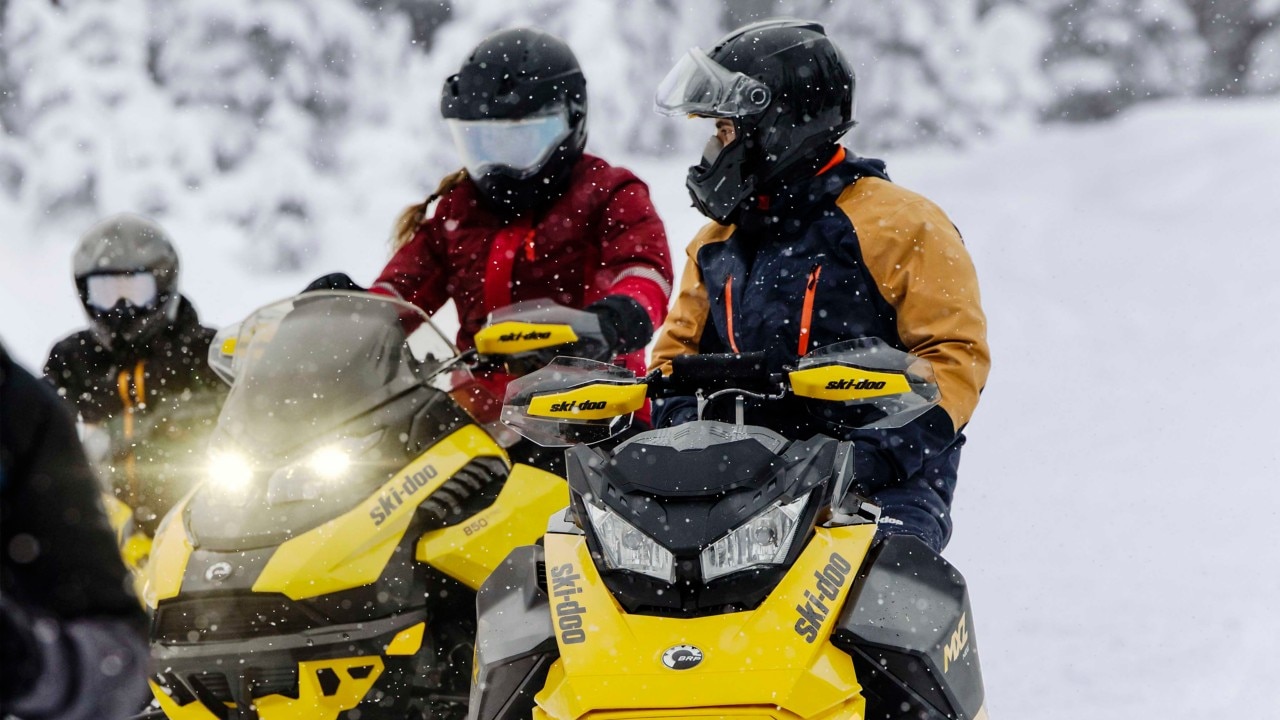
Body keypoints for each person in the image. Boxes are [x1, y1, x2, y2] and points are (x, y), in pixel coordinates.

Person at [649, 19, 991, 553]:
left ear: (778, 124)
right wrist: (680, 434)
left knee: (888, 583)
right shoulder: (716, 243)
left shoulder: (902, 224)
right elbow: (672, 363)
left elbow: (955, 358)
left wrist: (872, 454)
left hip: (881, 482)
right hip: (740, 483)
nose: (715, 150)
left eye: (726, 131)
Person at [307, 27, 674, 452]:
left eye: (520, 141)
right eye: (481, 142)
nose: (498, 164)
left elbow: (644, 269)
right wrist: (353, 318)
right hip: (476, 423)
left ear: (571, 121)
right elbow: (402, 291)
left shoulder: (606, 192)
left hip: (588, 415)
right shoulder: (459, 210)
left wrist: (615, 317)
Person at [44, 213, 225, 542]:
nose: (121, 307)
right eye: (106, 293)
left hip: (203, 531)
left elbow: (260, 405)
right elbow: (36, 429)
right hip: (98, 537)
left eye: (134, 291)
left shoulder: (207, 352)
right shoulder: (72, 360)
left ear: (164, 285)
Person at [1, 342, 151, 719]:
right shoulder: (73, 356)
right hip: (113, 496)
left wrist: (26, 661)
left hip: (166, 496)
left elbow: (117, 656)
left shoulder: (16, 405)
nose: (119, 311)